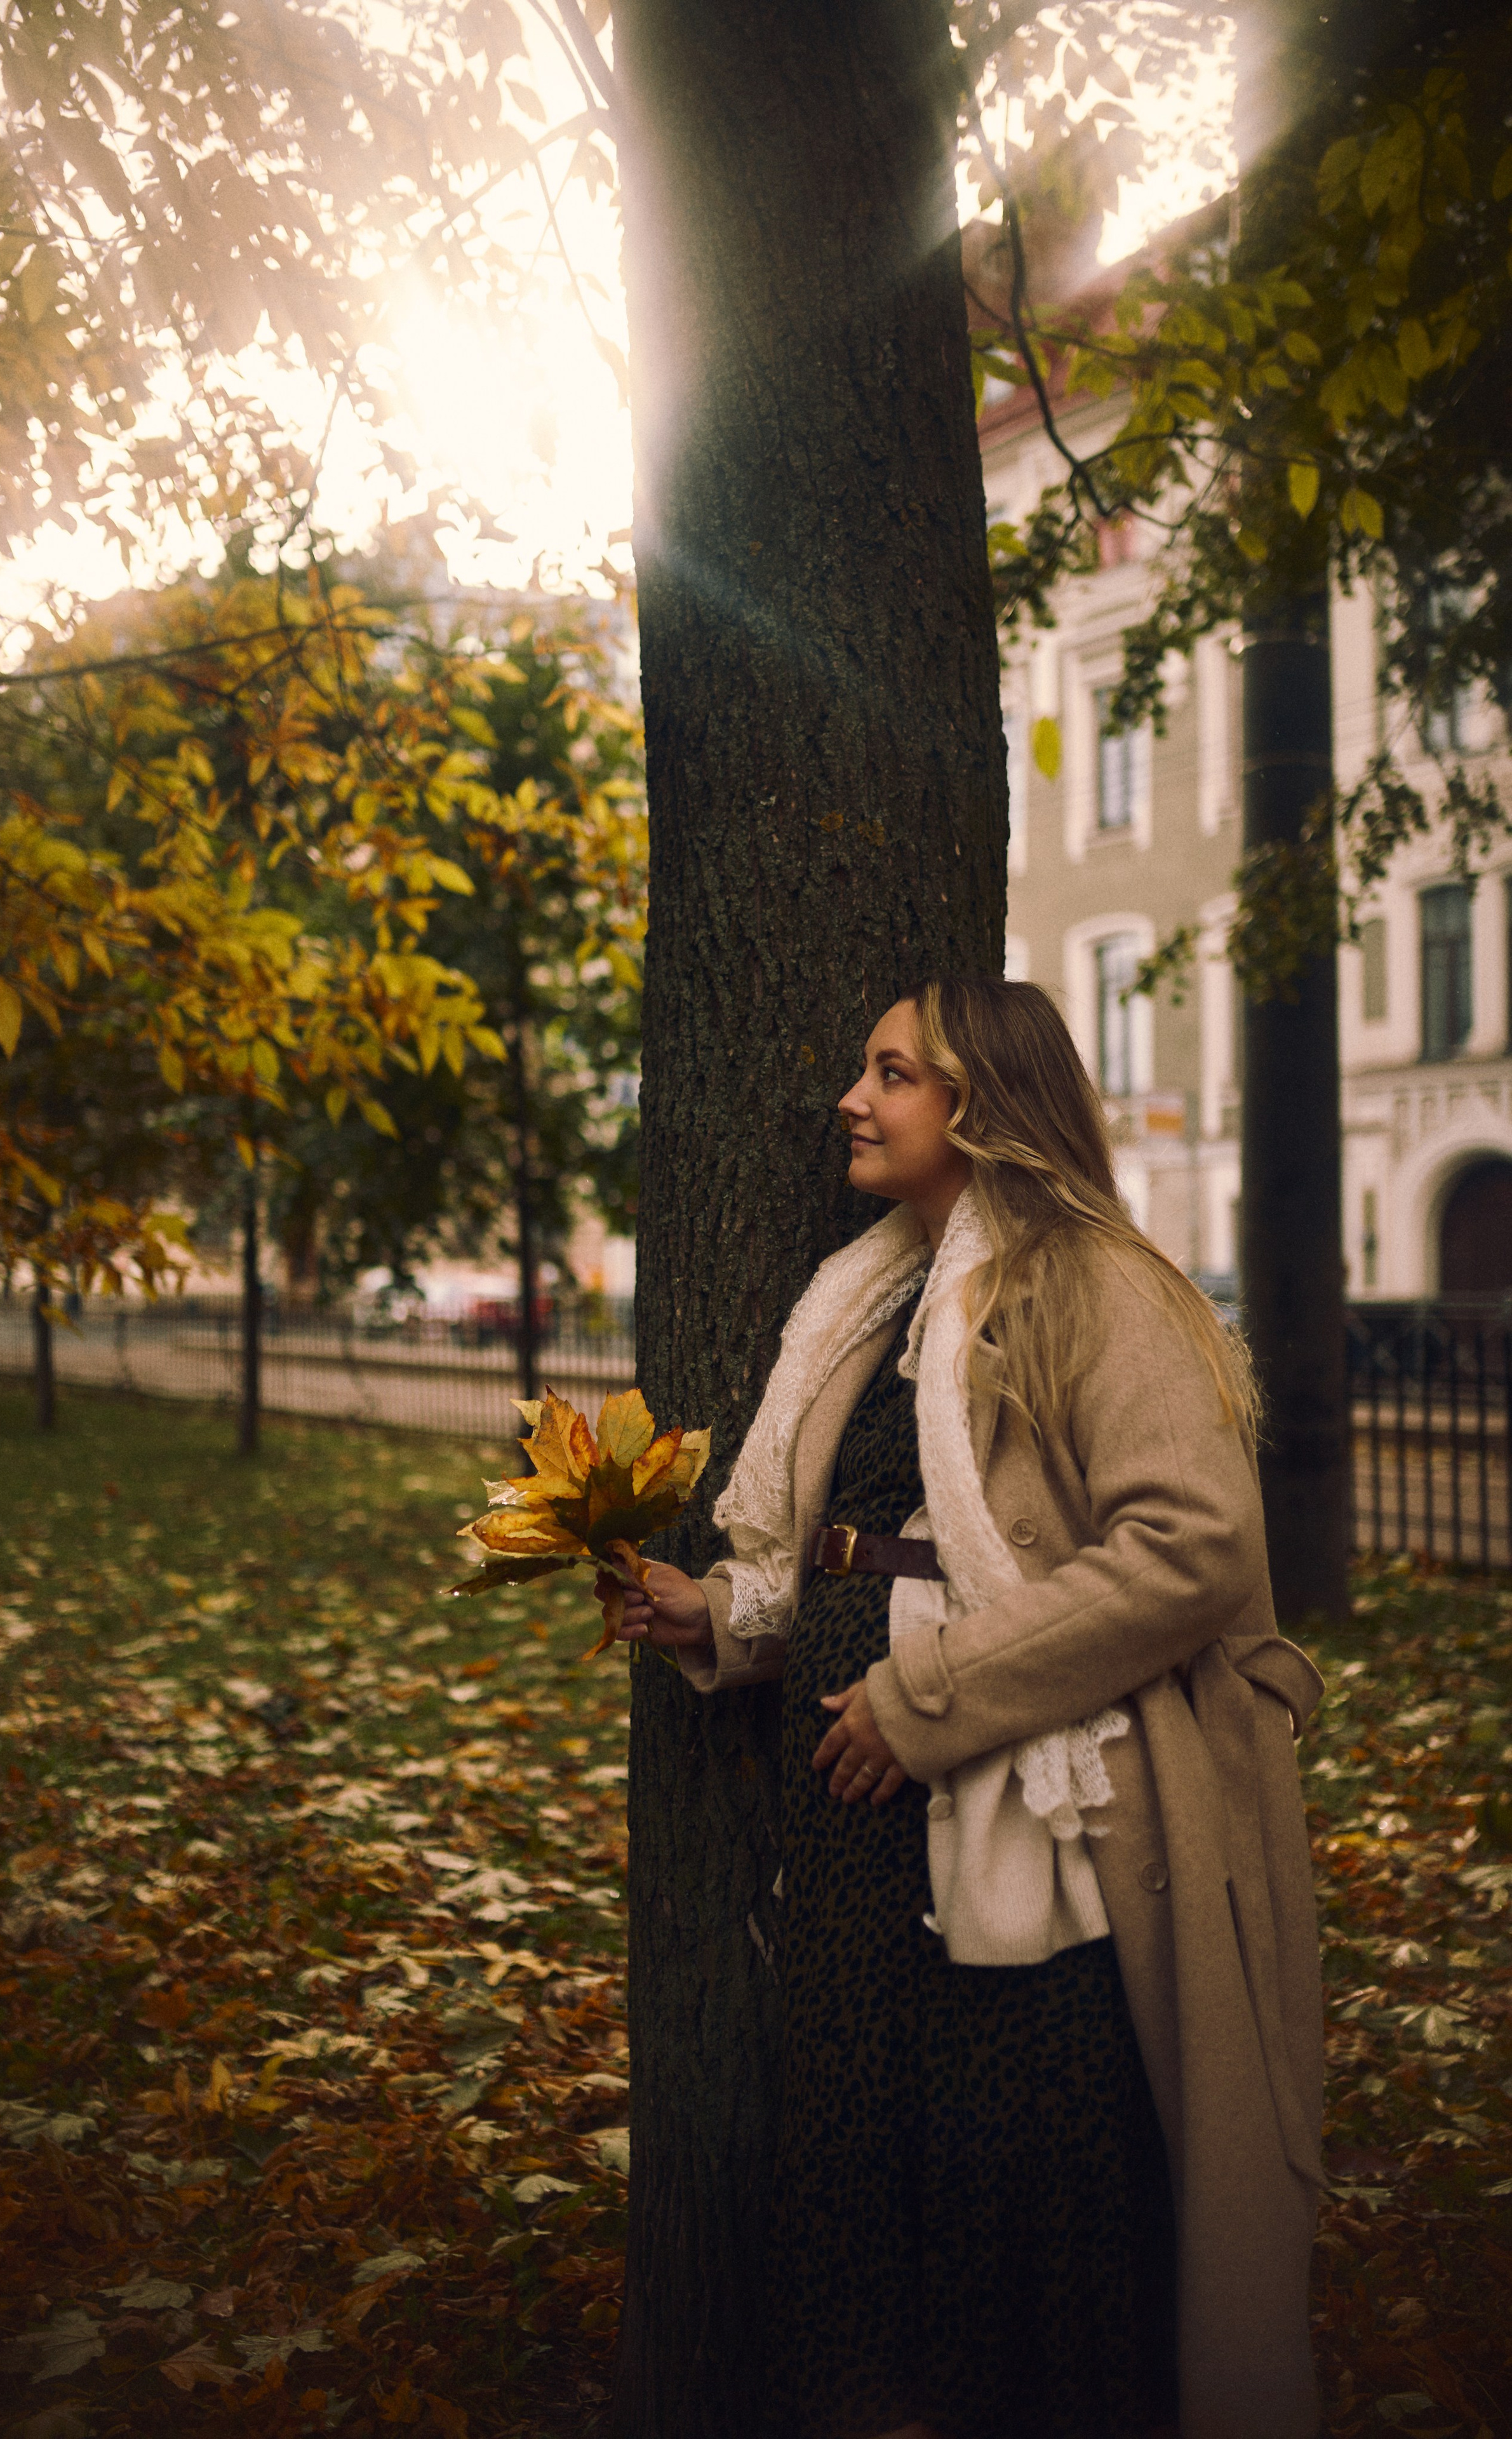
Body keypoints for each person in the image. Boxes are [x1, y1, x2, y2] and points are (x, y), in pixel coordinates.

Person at [597, 976, 1323, 2439]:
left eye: (892, 1075)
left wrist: (925, 1699)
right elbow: (862, 1536)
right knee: (863, 2182)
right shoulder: (877, 1294)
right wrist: (724, 1618)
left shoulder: (1087, 1282)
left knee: (1026, 2187)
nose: (851, 1102)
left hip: (1028, 1814)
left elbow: (1191, 1546)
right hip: (863, 1830)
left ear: (978, 1105)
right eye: (862, 1071)